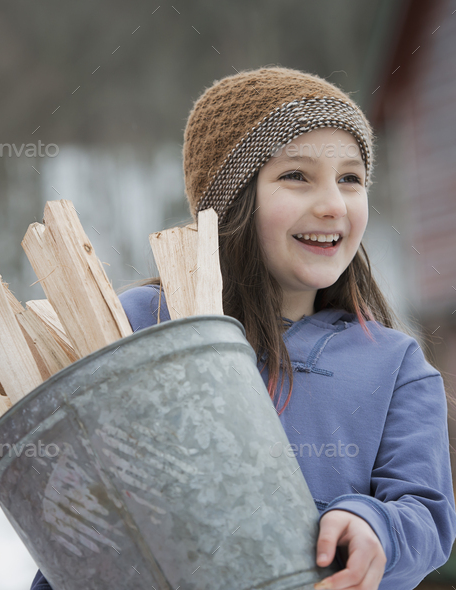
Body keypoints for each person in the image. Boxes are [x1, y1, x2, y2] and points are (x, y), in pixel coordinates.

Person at [30, 67, 456, 590]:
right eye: (296, 176)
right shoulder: (146, 325)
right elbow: (71, 522)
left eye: (350, 178)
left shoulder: (394, 364)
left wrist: (376, 528)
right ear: (231, 201)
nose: (332, 204)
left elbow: (427, 516)